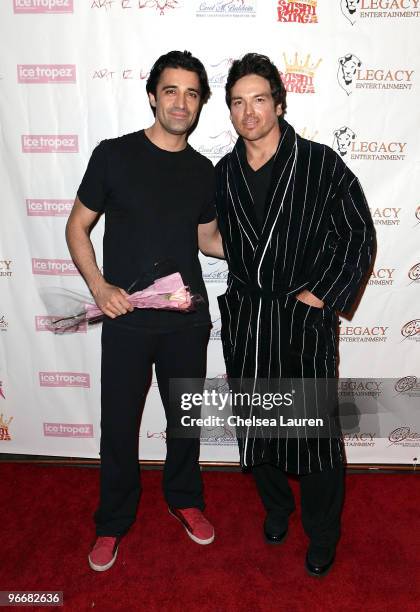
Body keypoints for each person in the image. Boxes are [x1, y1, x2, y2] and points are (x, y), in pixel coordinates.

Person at [215, 53, 375, 577]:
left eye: (259, 100)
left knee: (316, 434)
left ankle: (323, 532)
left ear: (279, 104)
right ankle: (277, 508)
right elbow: (219, 239)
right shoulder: (224, 172)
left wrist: (324, 294)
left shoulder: (320, 162)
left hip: (302, 319)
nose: (249, 112)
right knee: (258, 427)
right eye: (238, 102)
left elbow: (358, 232)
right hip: (248, 318)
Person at [66, 50, 223, 572]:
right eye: (172, 91)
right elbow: (76, 227)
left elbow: (208, 240)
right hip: (127, 319)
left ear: (200, 104)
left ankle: (184, 496)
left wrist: (268, 244)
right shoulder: (114, 155)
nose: (181, 102)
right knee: (118, 426)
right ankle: (112, 521)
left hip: (186, 318)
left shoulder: (204, 171)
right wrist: (98, 284)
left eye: (192, 93)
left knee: (185, 420)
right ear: (153, 95)